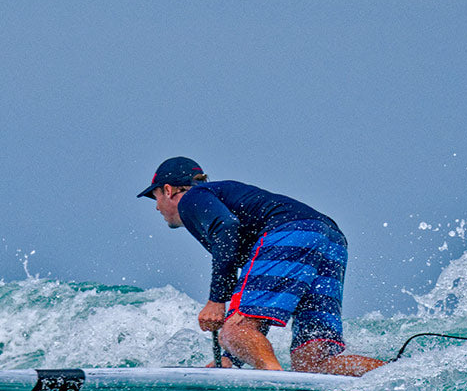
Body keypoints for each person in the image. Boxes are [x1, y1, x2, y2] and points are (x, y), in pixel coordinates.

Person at [138, 157, 384, 375]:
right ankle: (402, 376)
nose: (156, 206)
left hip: (293, 232)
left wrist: (217, 300)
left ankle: (276, 385)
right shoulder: (218, 200)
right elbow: (259, 300)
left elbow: (226, 227)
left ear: (168, 190)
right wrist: (231, 358)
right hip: (331, 239)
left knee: (233, 331)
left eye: (155, 197)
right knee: (313, 363)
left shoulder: (193, 198)